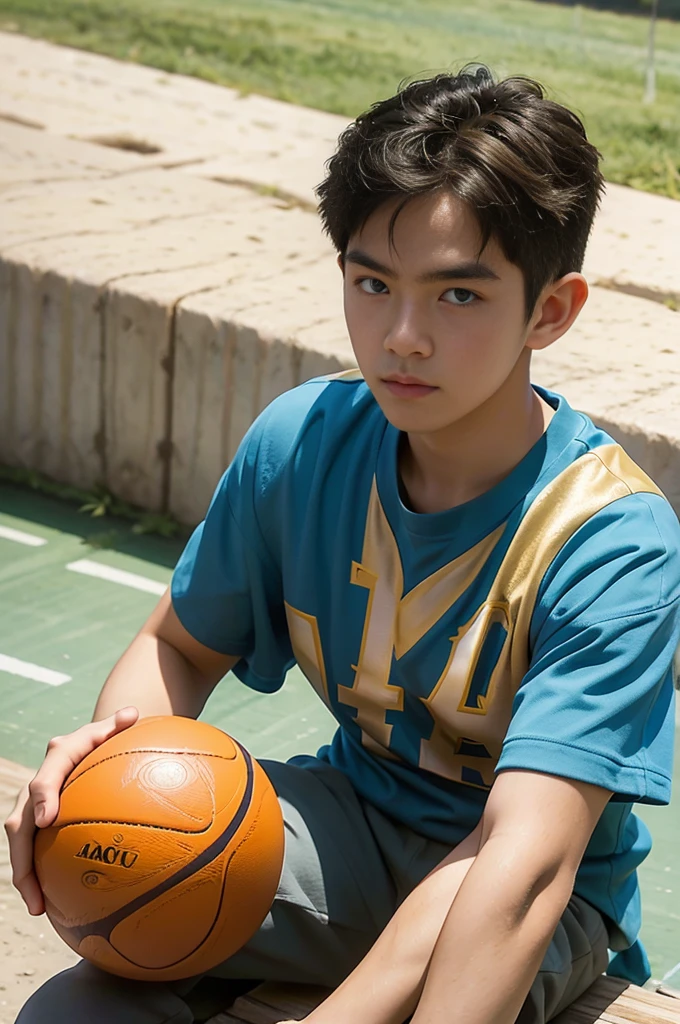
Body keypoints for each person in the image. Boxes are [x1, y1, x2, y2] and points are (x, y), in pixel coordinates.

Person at [6, 64, 680, 1024]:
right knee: (83, 994)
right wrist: (120, 771)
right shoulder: (302, 443)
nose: (401, 335)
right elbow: (178, 645)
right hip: (350, 827)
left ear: (551, 310)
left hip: (526, 896)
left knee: (467, 912)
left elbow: (524, 865)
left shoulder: (613, 541)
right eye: (372, 283)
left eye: (457, 296)